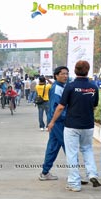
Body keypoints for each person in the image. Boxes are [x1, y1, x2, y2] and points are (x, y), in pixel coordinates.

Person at [48, 60, 101, 192]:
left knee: (72, 153)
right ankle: (93, 174)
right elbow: (94, 105)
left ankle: (74, 183)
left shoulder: (70, 87)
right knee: (87, 149)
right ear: (87, 71)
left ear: (75, 71)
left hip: (72, 125)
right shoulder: (93, 86)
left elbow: (60, 107)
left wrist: (52, 121)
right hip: (88, 125)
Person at [39, 66, 69, 181]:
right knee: (68, 146)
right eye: (63, 74)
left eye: (67, 74)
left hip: (56, 122)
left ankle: (45, 172)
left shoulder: (61, 86)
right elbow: (56, 108)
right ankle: (75, 174)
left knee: (53, 147)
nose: (65, 76)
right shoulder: (57, 88)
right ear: (56, 75)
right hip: (58, 122)